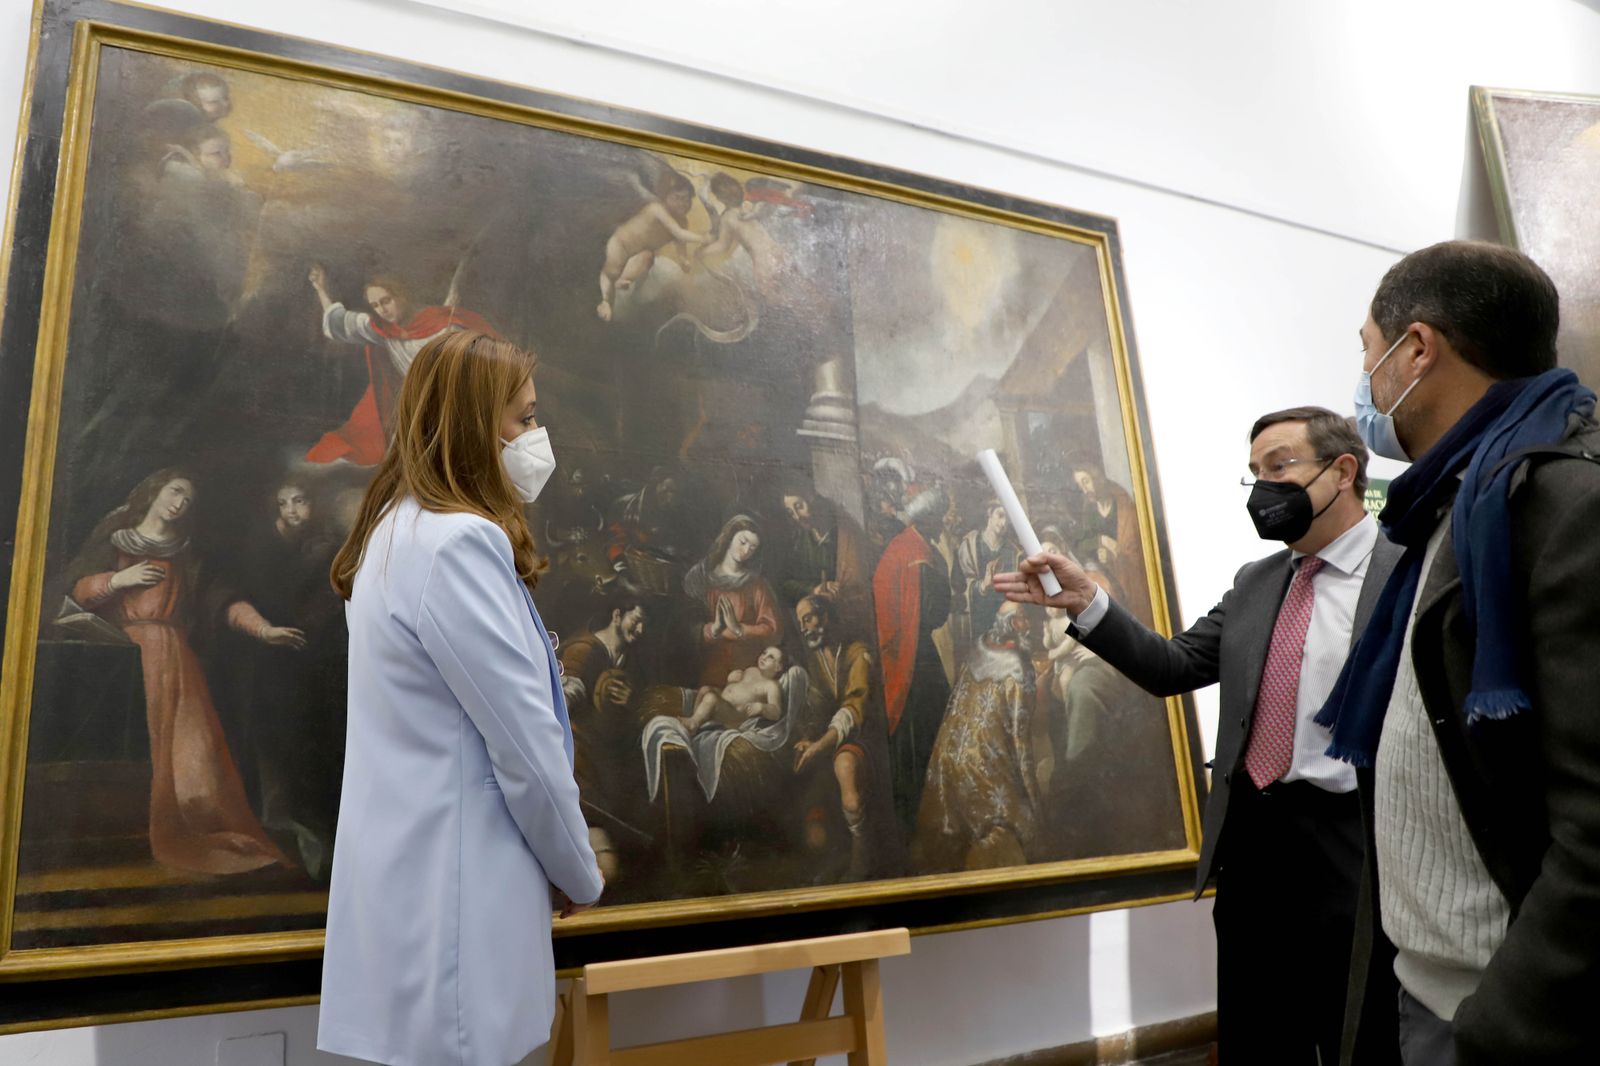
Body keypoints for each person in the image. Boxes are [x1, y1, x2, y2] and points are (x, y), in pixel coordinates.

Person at [998, 407, 1403, 1066]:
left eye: (1280, 466)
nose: (1264, 486)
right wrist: (1086, 601)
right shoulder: (1257, 583)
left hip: (1355, 843)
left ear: (1342, 471)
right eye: (1254, 472)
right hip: (1253, 843)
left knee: (1360, 1036)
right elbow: (1173, 665)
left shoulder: (1405, 572)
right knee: (1256, 1040)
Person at [1315, 241, 1600, 1065]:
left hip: (1514, 1017)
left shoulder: (1563, 502)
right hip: (1431, 987)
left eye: (1368, 351)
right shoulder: (1452, 502)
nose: (1365, 382)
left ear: (1417, 350)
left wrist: (1504, 1023)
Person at [319, 330, 602, 1066]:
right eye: (524, 418)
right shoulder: (458, 544)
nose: (536, 435)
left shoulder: (394, 531)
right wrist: (577, 870)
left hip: (409, 891)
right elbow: (526, 748)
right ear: (477, 424)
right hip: (456, 903)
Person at [60, 469, 300, 877]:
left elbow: (222, 602)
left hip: (175, 659)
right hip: (121, 657)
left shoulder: (189, 555)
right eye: (174, 492)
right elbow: (75, 590)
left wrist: (263, 629)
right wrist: (119, 579)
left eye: (187, 500)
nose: (179, 503)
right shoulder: (114, 540)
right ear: (154, 492)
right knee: (130, 744)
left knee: (193, 748)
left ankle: (191, 826)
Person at [304, 265, 498, 466]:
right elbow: (340, 323)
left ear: (401, 296)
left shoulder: (442, 325)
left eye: (386, 301)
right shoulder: (383, 330)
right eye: (375, 305)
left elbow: (479, 367)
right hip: (419, 408)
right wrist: (321, 289)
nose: (382, 310)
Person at [872, 486, 953, 836]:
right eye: (939, 517)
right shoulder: (915, 553)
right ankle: (923, 817)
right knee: (928, 729)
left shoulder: (904, 545)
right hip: (912, 655)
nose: (943, 523)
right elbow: (933, 613)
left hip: (910, 648)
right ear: (927, 517)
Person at [682, 646, 788, 733]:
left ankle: (693, 724)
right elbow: (734, 690)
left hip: (734, 715)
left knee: (711, 697)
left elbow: (776, 712)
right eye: (764, 653)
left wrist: (762, 707)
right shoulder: (751, 670)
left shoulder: (771, 685)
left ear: (778, 667)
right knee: (705, 689)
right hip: (724, 703)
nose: (764, 657)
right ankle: (695, 720)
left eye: (771, 657)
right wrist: (730, 681)